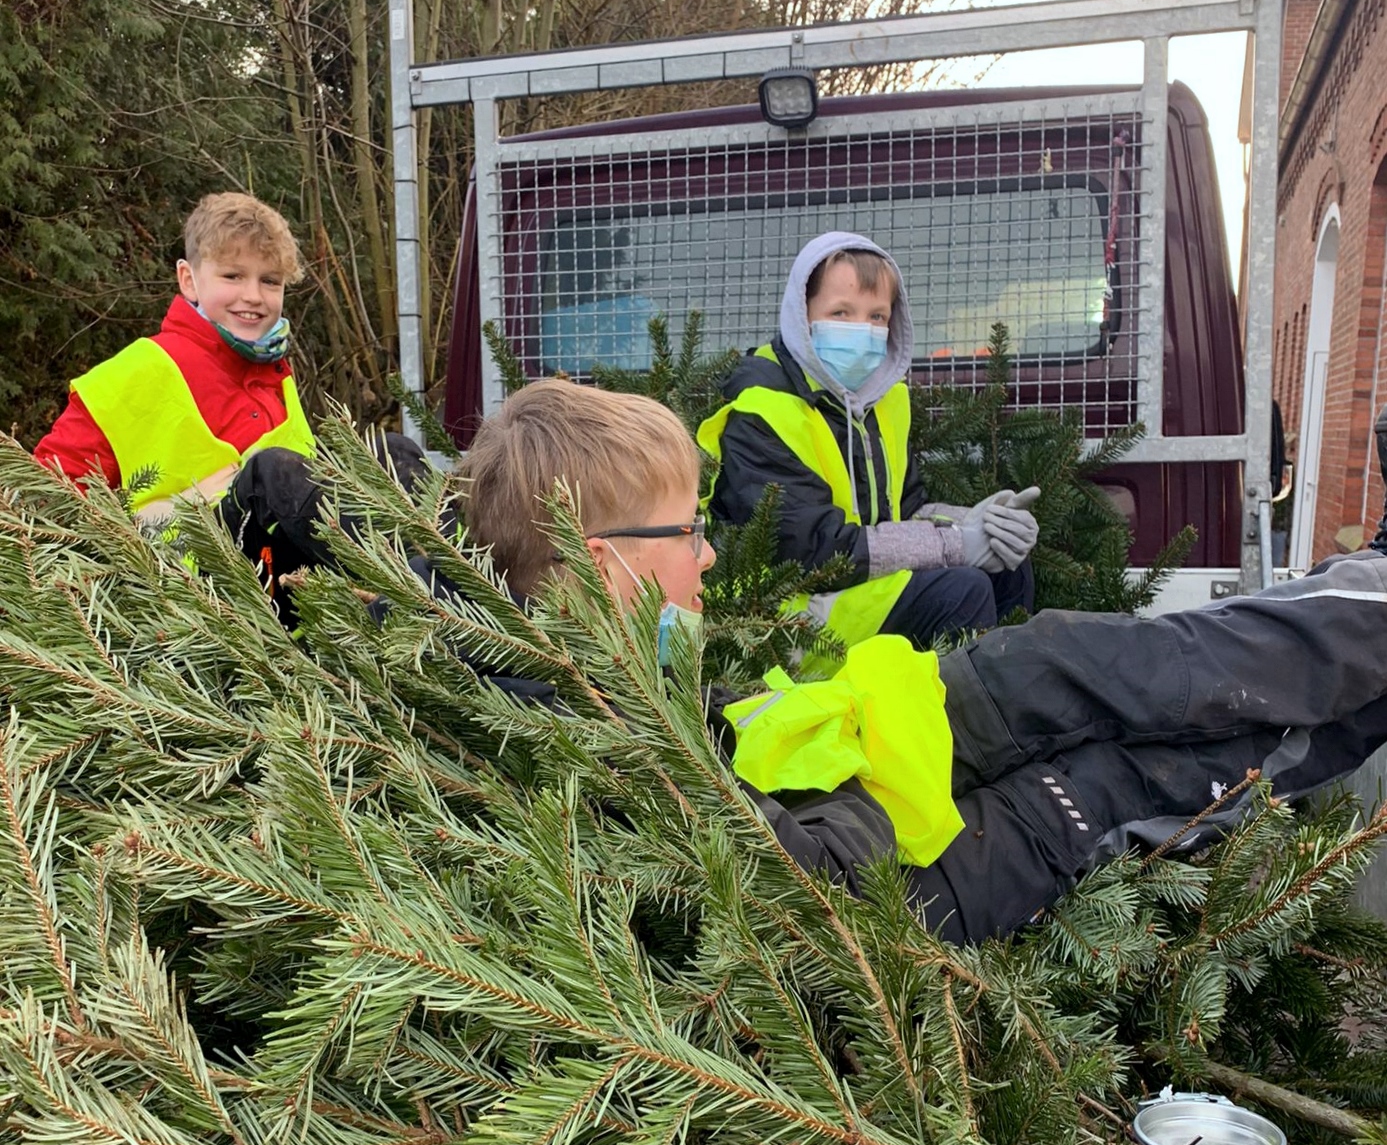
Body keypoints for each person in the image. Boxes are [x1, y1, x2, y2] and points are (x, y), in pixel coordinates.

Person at [453, 377, 1387, 945]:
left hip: (883, 736)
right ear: (598, 557)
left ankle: (1368, 599)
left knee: (1079, 654)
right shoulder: (574, 737)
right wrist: (865, 769)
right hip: (930, 864)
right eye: (688, 532)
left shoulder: (587, 666)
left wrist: (839, 721)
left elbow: (731, 734)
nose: (705, 555)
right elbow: (807, 892)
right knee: (1124, 774)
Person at [34, 191, 425, 612]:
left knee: (392, 453)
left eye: (269, 281)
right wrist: (170, 513)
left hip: (290, 576)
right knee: (268, 473)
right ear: (189, 280)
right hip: (195, 588)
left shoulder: (274, 375)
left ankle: (466, 601)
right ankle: (407, 595)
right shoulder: (135, 371)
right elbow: (37, 501)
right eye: (233, 276)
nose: (253, 295)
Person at [697, 231, 1041, 654]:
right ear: (800, 315)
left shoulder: (885, 401)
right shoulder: (762, 410)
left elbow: (906, 511)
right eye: (841, 312)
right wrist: (956, 544)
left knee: (1008, 567)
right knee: (961, 590)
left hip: (852, 586)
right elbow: (816, 549)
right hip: (784, 614)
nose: (862, 330)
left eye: (877, 317)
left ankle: (1010, 703)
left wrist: (978, 523)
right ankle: (951, 717)